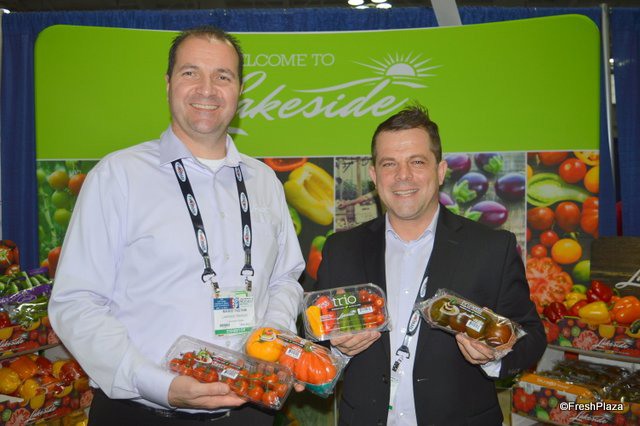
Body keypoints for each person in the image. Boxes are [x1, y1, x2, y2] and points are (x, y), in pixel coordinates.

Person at [48, 26, 305, 425]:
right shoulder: (119, 176)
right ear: (168, 83)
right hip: (141, 413)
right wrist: (158, 383)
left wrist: (270, 338)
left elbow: (284, 279)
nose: (207, 89)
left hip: (249, 410)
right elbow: (76, 302)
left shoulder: (264, 181)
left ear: (239, 90)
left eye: (223, 76)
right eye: (190, 73)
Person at [316, 104, 546, 426]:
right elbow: (314, 335)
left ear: (440, 171)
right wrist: (337, 350)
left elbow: (531, 336)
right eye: (389, 164)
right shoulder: (341, 249)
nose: (403, 176)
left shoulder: (492, 248)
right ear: (374, 176)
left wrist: (495, 356)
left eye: (417, 162)